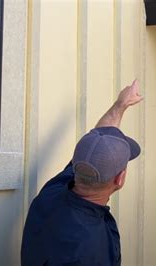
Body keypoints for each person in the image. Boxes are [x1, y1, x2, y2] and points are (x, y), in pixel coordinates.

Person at [21, 79, 144, 266]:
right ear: (120, 178)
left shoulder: (53, 192)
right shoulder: (89, 249)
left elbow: (97, 144)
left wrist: (120, 105)